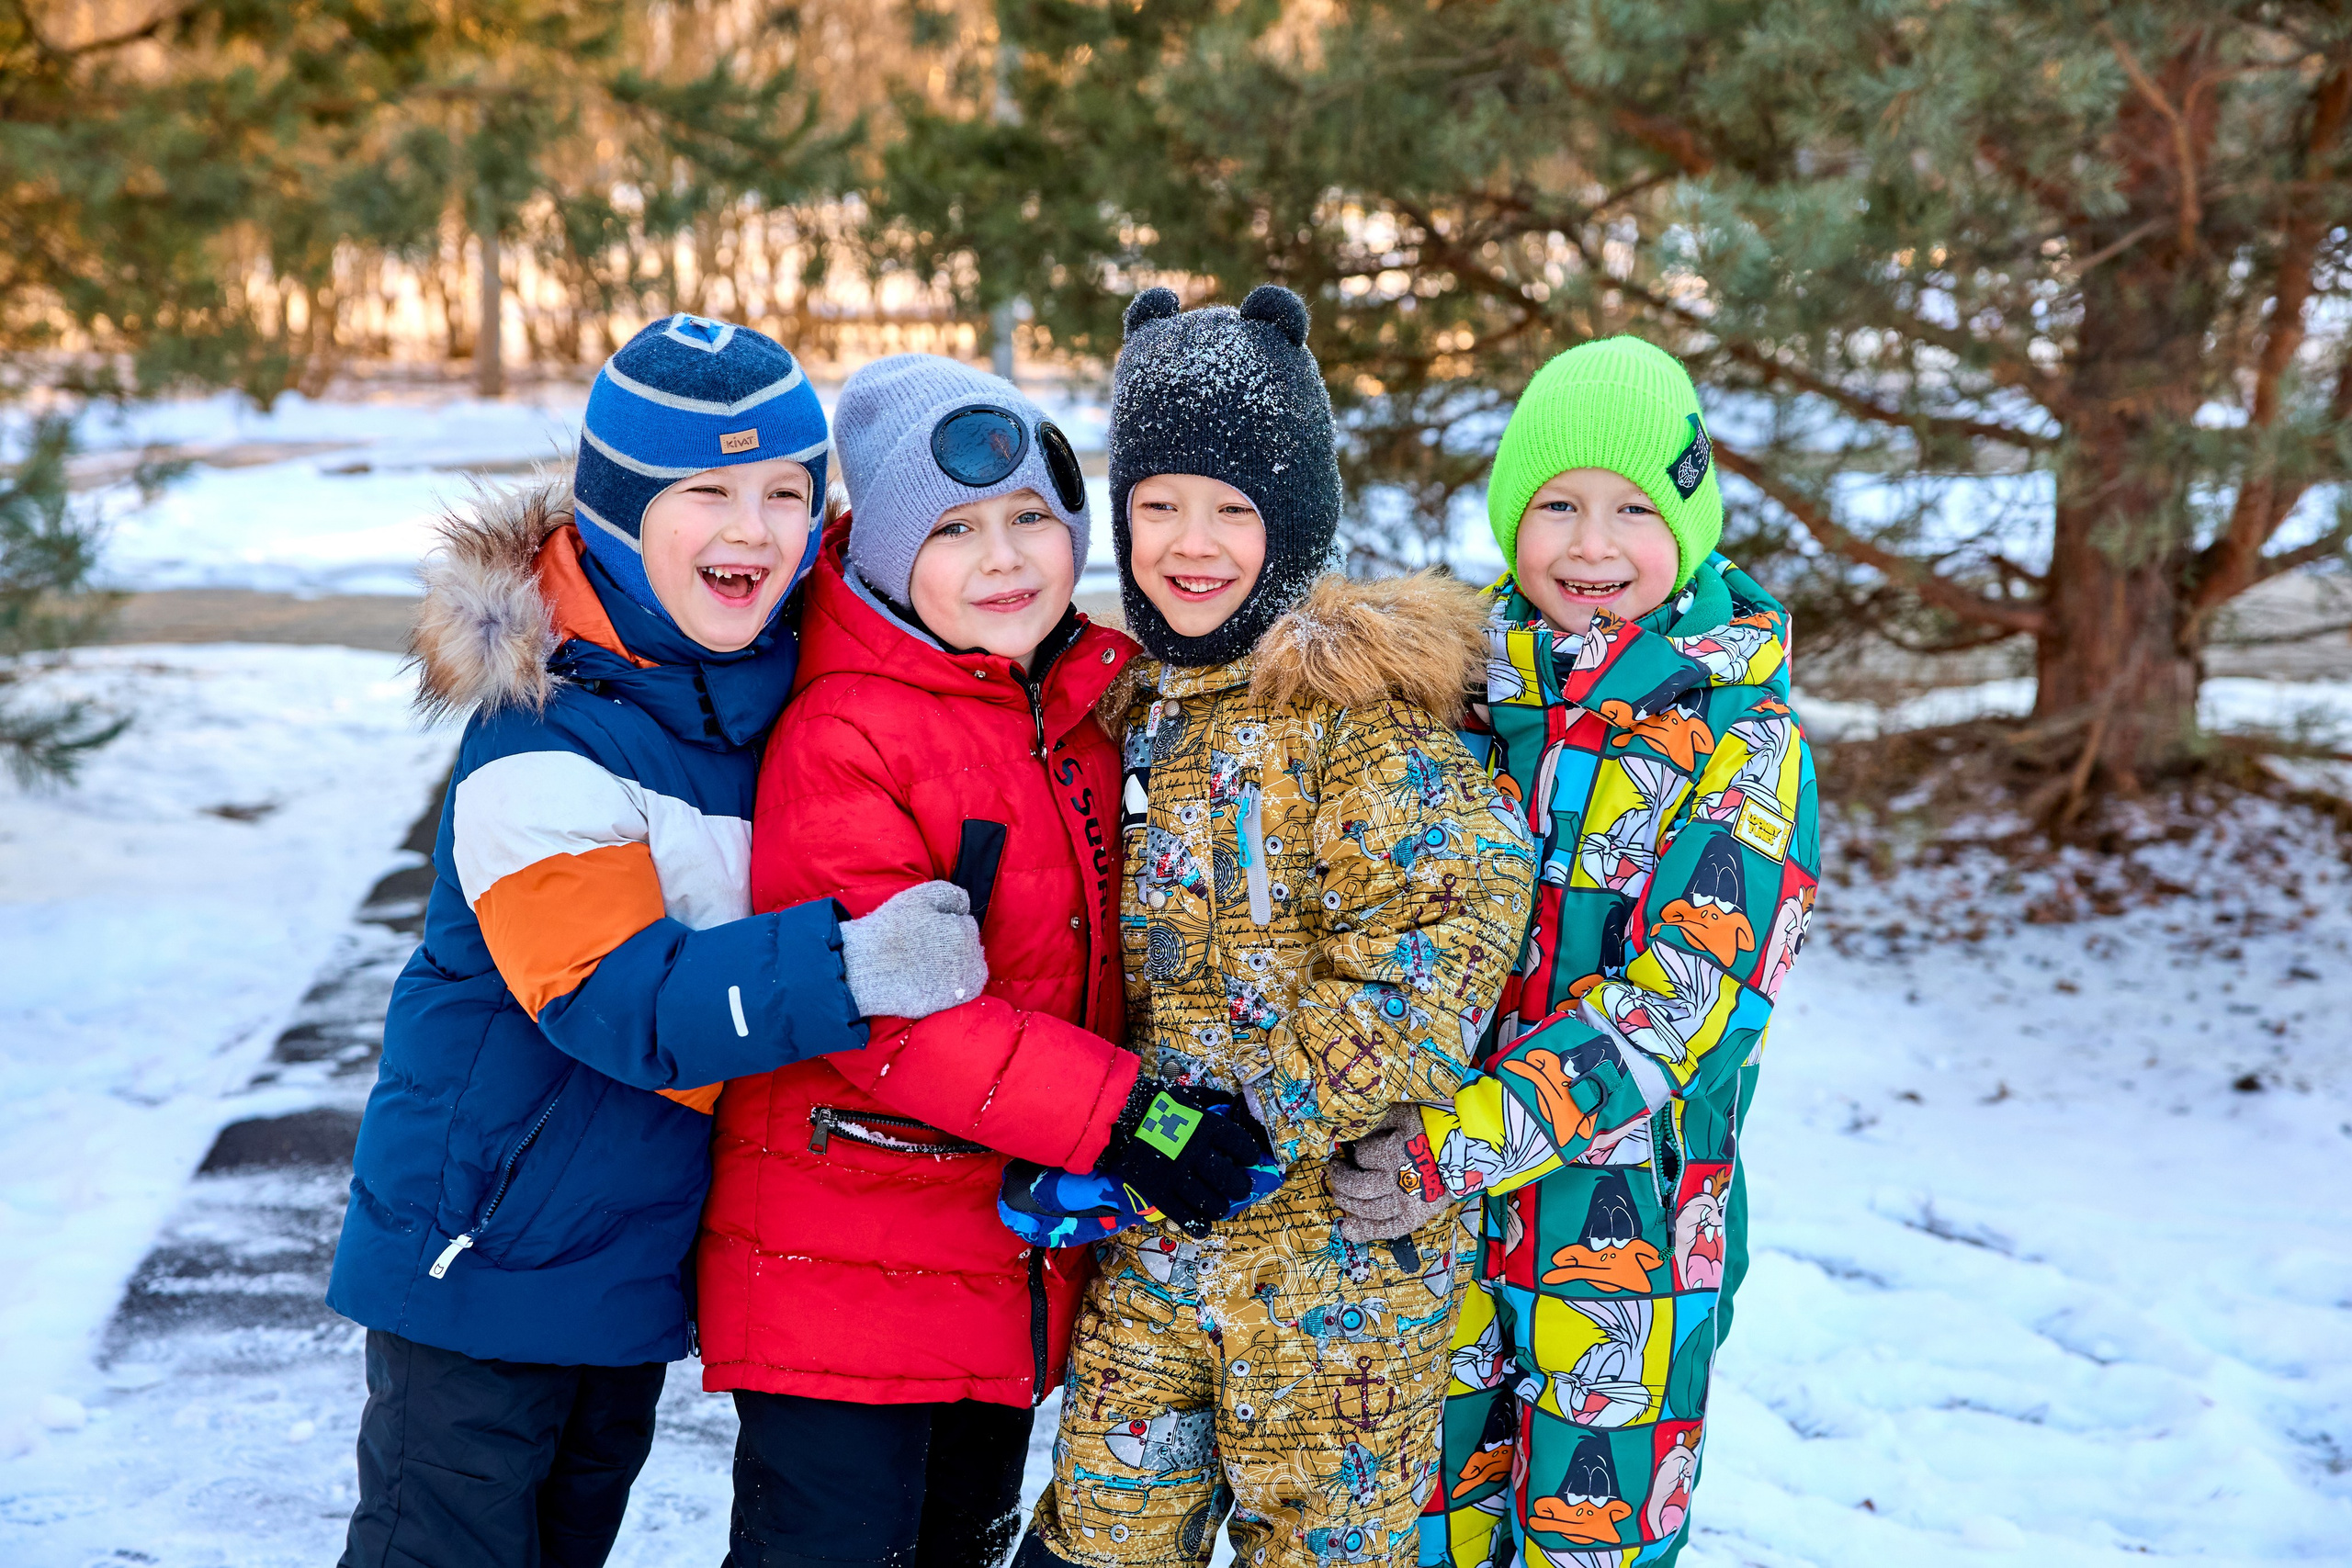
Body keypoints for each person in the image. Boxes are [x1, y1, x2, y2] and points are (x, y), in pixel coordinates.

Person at [328, 316, 987, 1568]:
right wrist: (851, 964)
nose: (753, 528)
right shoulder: (542, 731)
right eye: (708, 493)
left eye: (786, 493)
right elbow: (617, 1001)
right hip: (480, 1259)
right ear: (622, 513)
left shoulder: (760, 691)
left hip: (623, 1264)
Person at [694, 355, 1272, 1568]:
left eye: (1031, 521)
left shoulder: (1075, 704)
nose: (1005, 559)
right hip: (842, 1273)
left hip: (994, 1269)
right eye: (956, 531)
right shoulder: (846, 729)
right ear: (889, 557)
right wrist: (1136, 1122)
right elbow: (896, 1021)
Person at [1013, 286, 1537, 1568]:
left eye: (1234, 511)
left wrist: (1259, 1116)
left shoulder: (1366, 717)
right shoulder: (1125, 705)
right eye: (1158, 506)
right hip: (1151, 1238)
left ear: (1293, 521)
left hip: (1337, 1284)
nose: (1192, 544)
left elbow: (1433, 952)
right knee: (1098, 1538)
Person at [1325, 336, 1821, 1567]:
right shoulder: (1456, 698)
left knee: (1584, 1546)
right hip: (1432, 1236)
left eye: (1633, 509)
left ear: (1690, 523)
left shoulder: (1744, 742)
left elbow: (1684, 1005)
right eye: (1555, 505)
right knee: (1419, 1535)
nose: (1591, 547)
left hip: (1630, 1244)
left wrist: (1456, 1147)